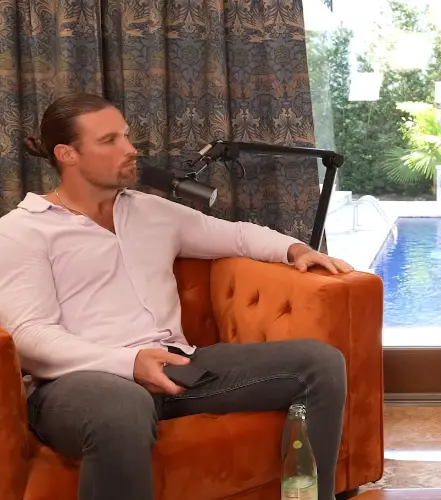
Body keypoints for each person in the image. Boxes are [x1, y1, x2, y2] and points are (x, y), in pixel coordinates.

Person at [0, 93, 354, 500]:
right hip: (82, 384)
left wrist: (295, 249)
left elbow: (238, 235)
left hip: (178, 365)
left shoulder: (150, 211)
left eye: (126, 136)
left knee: (319, 363)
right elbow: (30, 335)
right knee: (121, 408)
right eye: (110, 140)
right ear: (67, 154)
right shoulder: (22, 231)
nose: (130, 149)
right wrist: (130, 362)